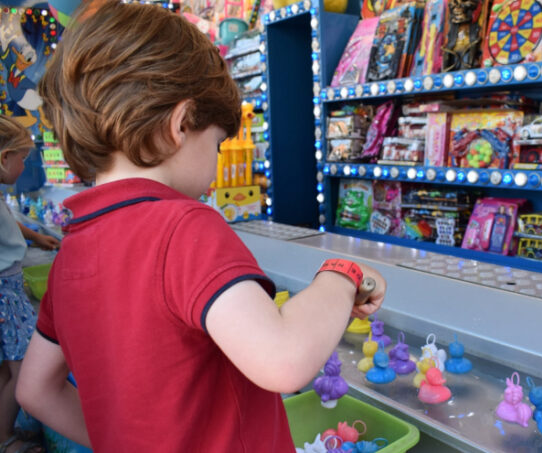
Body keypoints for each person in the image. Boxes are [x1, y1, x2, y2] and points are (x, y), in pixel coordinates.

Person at [15, 1, 386, 451]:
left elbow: (35, 390)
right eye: (216, 143)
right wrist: (340, 276)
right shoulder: (183, 226)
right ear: (181, 123)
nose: (215, 163)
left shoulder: (71, 253)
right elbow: (284, 359)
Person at [0, 115, 59, 453]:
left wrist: (37, 236)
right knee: (23, 368)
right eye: (22, 157)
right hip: (6, 296)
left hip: (9, 288)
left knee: (8, 371)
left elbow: (10, 222)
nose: (25, 164)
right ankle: (5, 438)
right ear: (4, 157)